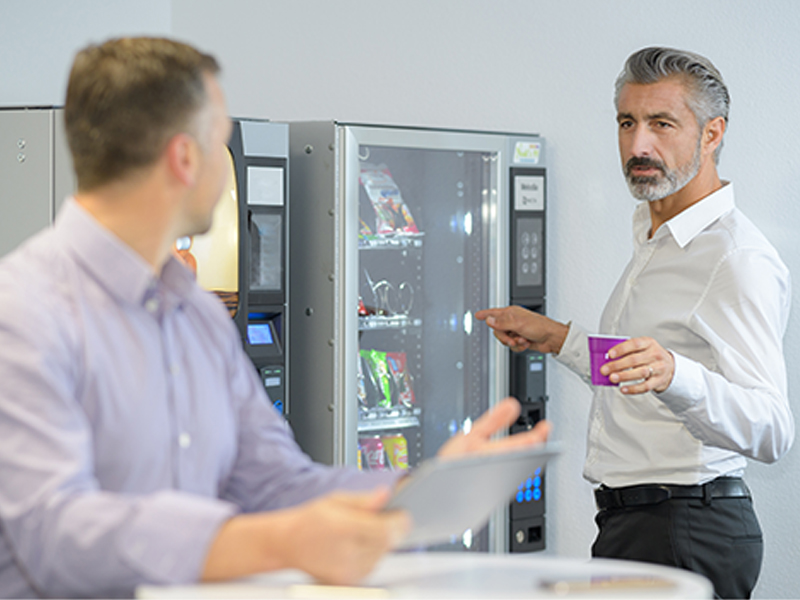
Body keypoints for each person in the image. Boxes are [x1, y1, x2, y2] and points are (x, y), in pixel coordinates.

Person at [0, 37, 550, 599]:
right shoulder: (22, 313)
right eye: (221, 140)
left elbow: (276, 483)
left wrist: (423, 489)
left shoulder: (196, 315)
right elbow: (56, 533)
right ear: (185, 158)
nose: (227, 161)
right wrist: (279, 543)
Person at [477, 47, 793, 599]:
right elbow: (639, 373)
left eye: (662, 124)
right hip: (635, 527)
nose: (637, 145)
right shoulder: (655, 234)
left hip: (684, 531)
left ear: (712, 134)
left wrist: (676, 374)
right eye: (628, 122)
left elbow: (772, 430)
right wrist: (557, 339)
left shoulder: (734, 259)